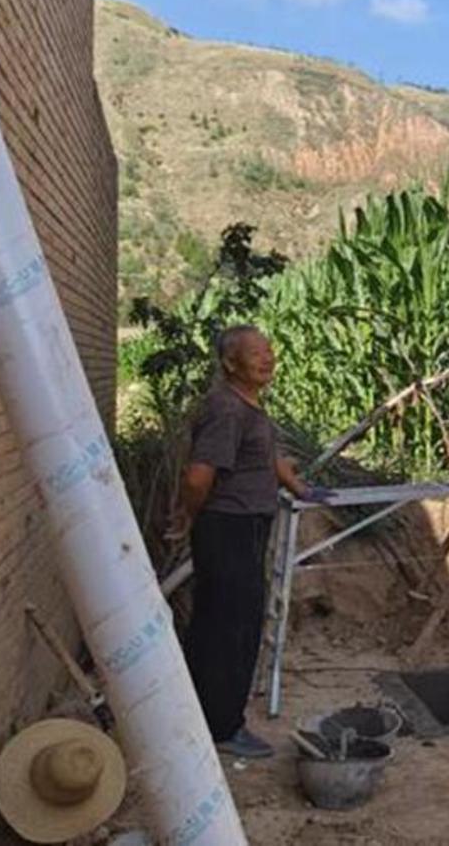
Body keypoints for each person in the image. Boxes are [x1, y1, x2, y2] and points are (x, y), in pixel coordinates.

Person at [171, 324, 327, 759]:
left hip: (242, 528)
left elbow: (268, 456)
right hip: (228, 529)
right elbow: (198, 476)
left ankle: (199, 714)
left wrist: (300, 488)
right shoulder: (226, 410)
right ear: (230, 363)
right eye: (255, 353)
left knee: (219, 623)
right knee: (231, 631)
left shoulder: (248, 406)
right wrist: (189, 515)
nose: (267, 358)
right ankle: (223, 727)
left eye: (269, 350)